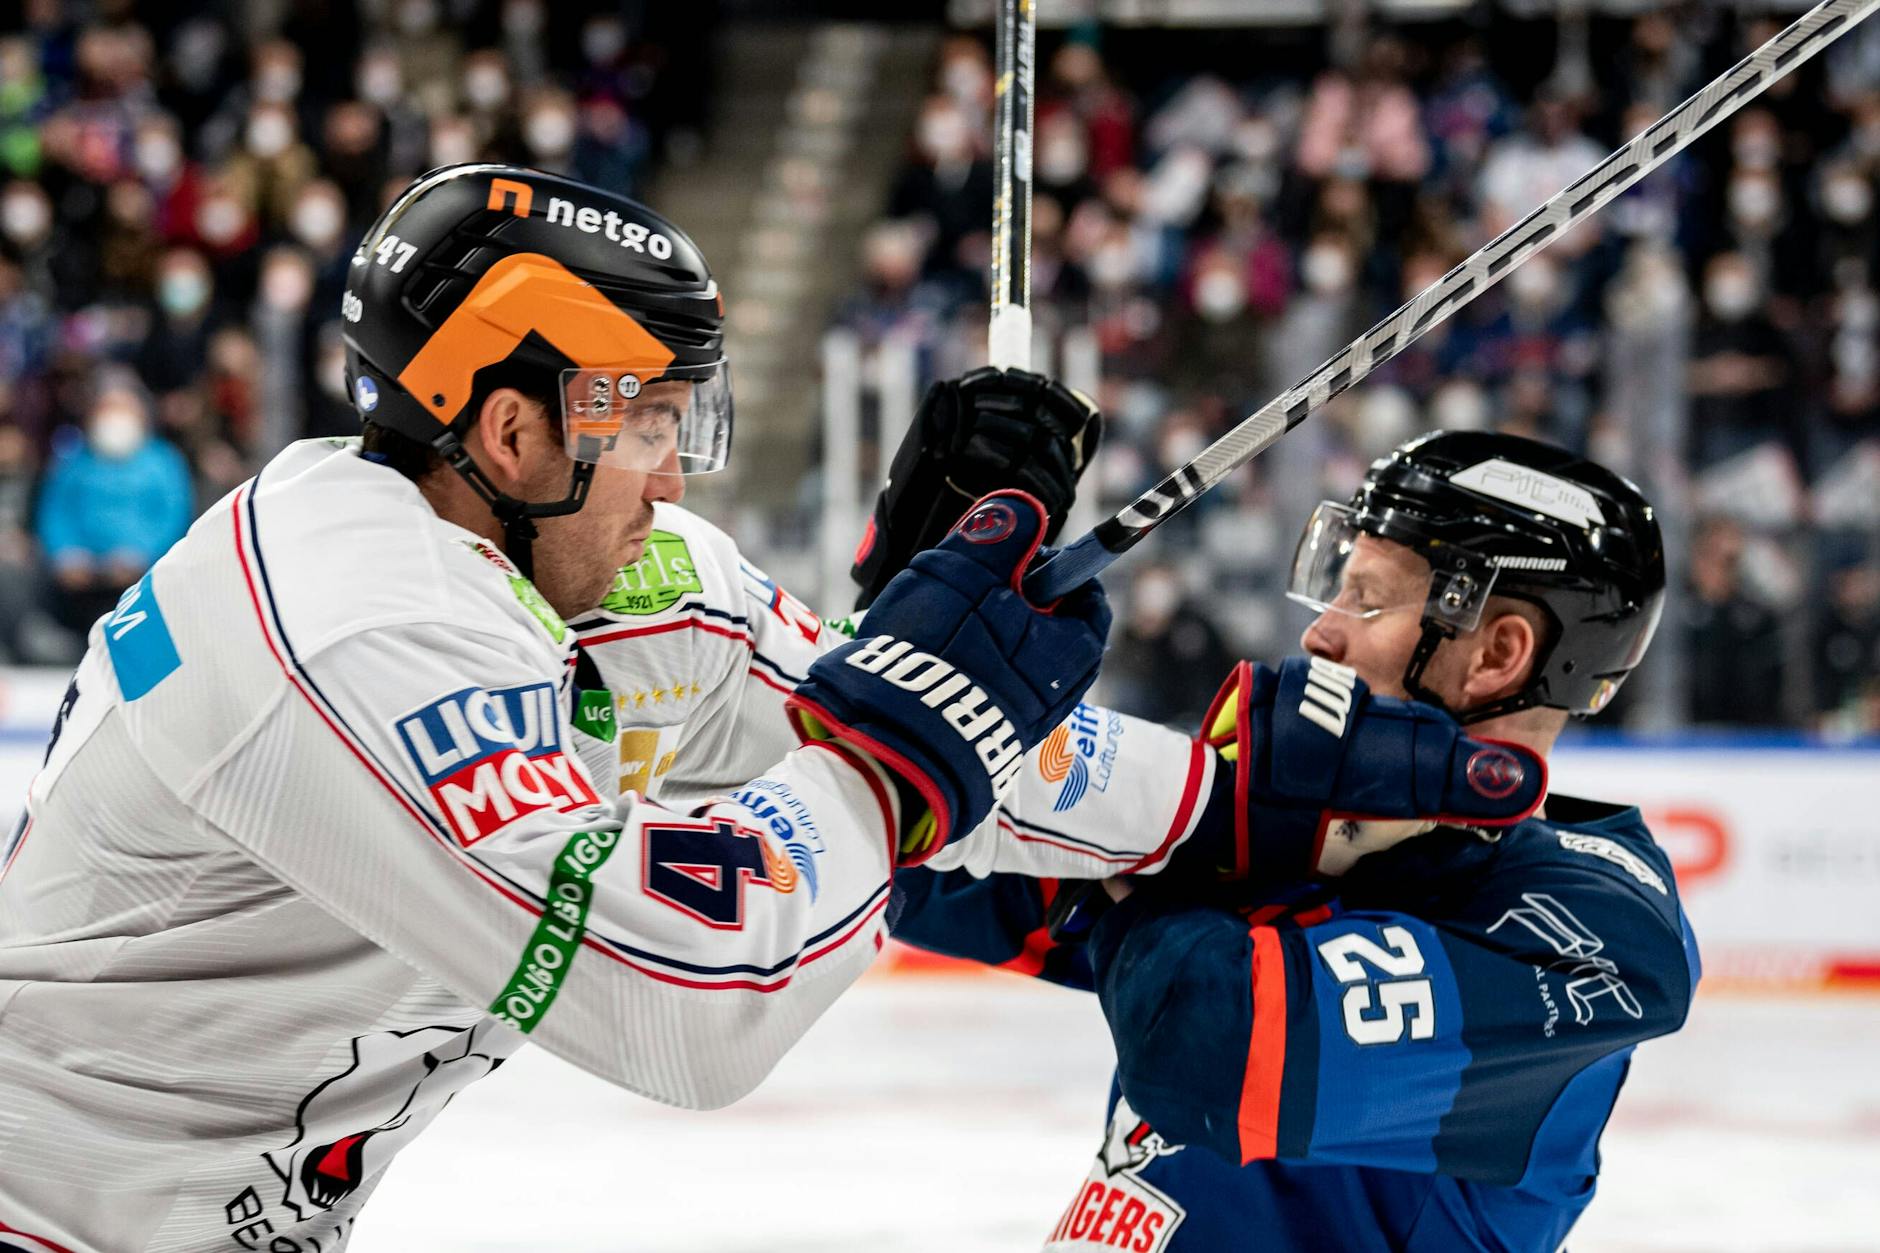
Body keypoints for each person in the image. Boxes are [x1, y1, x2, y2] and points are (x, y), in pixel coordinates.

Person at [0, 164, 1117, 1252]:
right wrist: (894, 758)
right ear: (514, 432)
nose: (673, 479)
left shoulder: (576, 573)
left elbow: (867, 728)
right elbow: (687, 999)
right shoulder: (359, 623)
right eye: (650, 423)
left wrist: (921, 642)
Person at [893, 430, 1701, 1253]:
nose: (1322, 633)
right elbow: (918, 864)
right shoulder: (1304, 817)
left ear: (1498, 653)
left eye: (1369, 598)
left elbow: (1203, 1051)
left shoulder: (1596, 932)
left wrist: (1176, 835)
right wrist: (927, 597)